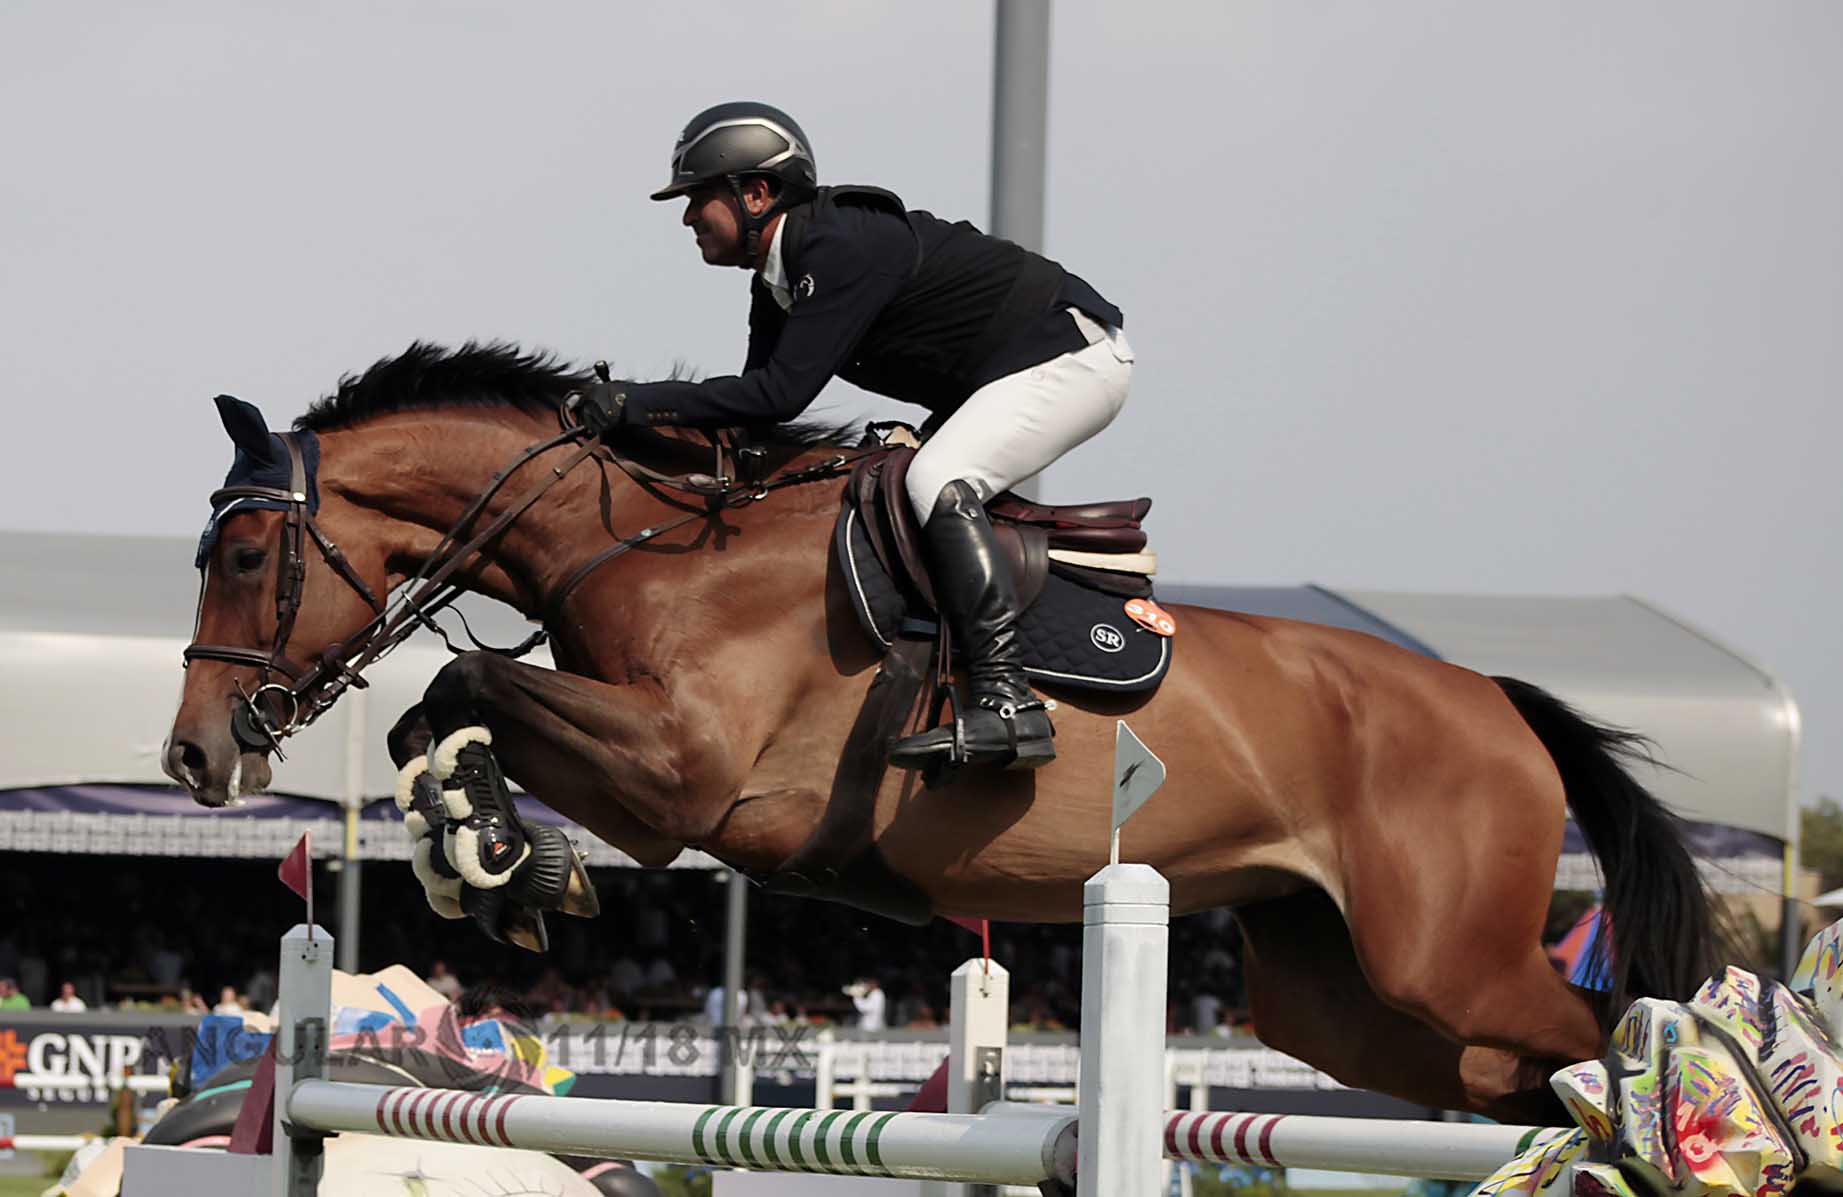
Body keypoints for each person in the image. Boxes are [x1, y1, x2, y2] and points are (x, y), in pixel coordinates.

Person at [575, 102, 1133, 772]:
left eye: (698, 197)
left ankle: (1008, 704)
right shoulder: (778, 280)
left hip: (1071, 359)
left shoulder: (839, 246)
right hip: (1003, 375)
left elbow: (779, 395)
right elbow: (756, 417)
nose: (688, 217)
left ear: (757, 193)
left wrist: (636, 402)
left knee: (936, 481)